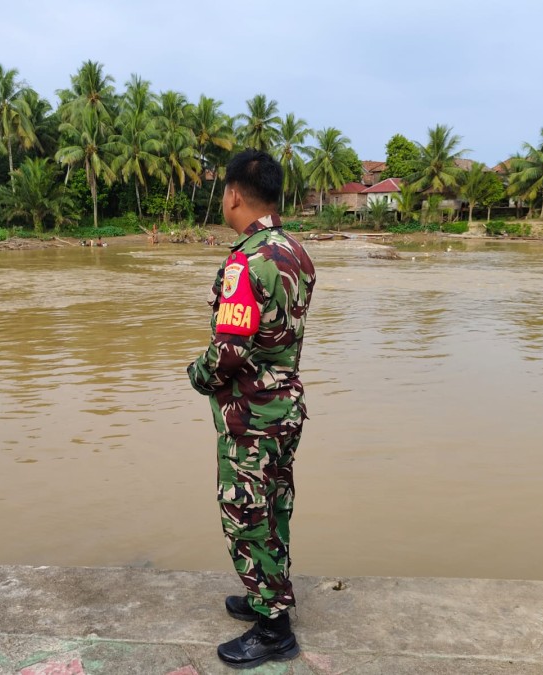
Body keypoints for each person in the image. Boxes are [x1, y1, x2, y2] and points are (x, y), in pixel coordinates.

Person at [187, 149, 316, 669]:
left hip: (251, 416)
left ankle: (273, 628)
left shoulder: (247, 260)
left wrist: (197, 373)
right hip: (285, 405)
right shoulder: (295, 251)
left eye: (224, 191)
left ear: (235, 194)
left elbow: (230, 349)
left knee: (245, 515)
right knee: (275, 507)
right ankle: (271, 595)